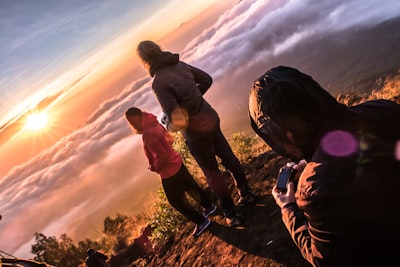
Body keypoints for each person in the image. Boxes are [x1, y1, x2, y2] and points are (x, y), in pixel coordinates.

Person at [248, 66, 400, 266]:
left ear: (289, 135)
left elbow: (323, 260)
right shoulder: (382, 108)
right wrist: (314, 159)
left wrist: (288, 208)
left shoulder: (315, 191)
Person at [136, 40, 257, 227]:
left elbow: (177, 120)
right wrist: (195, 99)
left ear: (144, 61)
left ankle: (232, 215)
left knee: (213, 174)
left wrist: (167, 125)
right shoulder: (180, 65)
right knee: (229, 158)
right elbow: (206, 79)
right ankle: (246, 194)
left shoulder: (159, 83)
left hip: (196, 134)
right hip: (210, 117)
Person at [125, 107, 217, 237]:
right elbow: (170, 139)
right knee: (190, 186)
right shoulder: (153, 121)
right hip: (176, 160)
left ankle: (201, 221)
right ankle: (209, 207)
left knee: (175, 201)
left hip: (169, 171)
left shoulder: (147, 134)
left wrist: (154, 167)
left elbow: (161, 156)